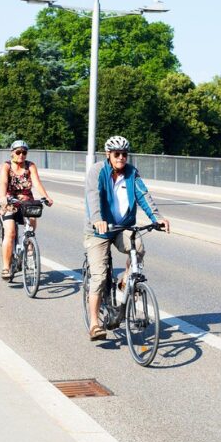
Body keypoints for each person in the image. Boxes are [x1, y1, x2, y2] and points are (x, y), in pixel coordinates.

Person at [84, 135, 170, 341]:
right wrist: (97, 219)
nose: (121, 157)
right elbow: (93, 196)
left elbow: (143, 195)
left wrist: (157, 218)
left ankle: (126, 284)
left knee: (138, 248)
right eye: (117, 154)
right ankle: (95, 324)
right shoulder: (97, 171)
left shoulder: (132, 173)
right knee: (99, 276)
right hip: (99, 229)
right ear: (108, 155)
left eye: (124, 154)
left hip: (123, 226)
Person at [0, 139, 53, 280]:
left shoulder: (30, 166)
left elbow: (37, 182)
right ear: (12, 153)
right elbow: (3, 182)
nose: (21, 155)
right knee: (10, 232)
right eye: (18, 152)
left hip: (26, 201)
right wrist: (3, 197)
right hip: (9, 201)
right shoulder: (6, 166)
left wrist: (46, 197)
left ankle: (29, 249)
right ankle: (5, 267)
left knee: (32, 222)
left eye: (24, 152)